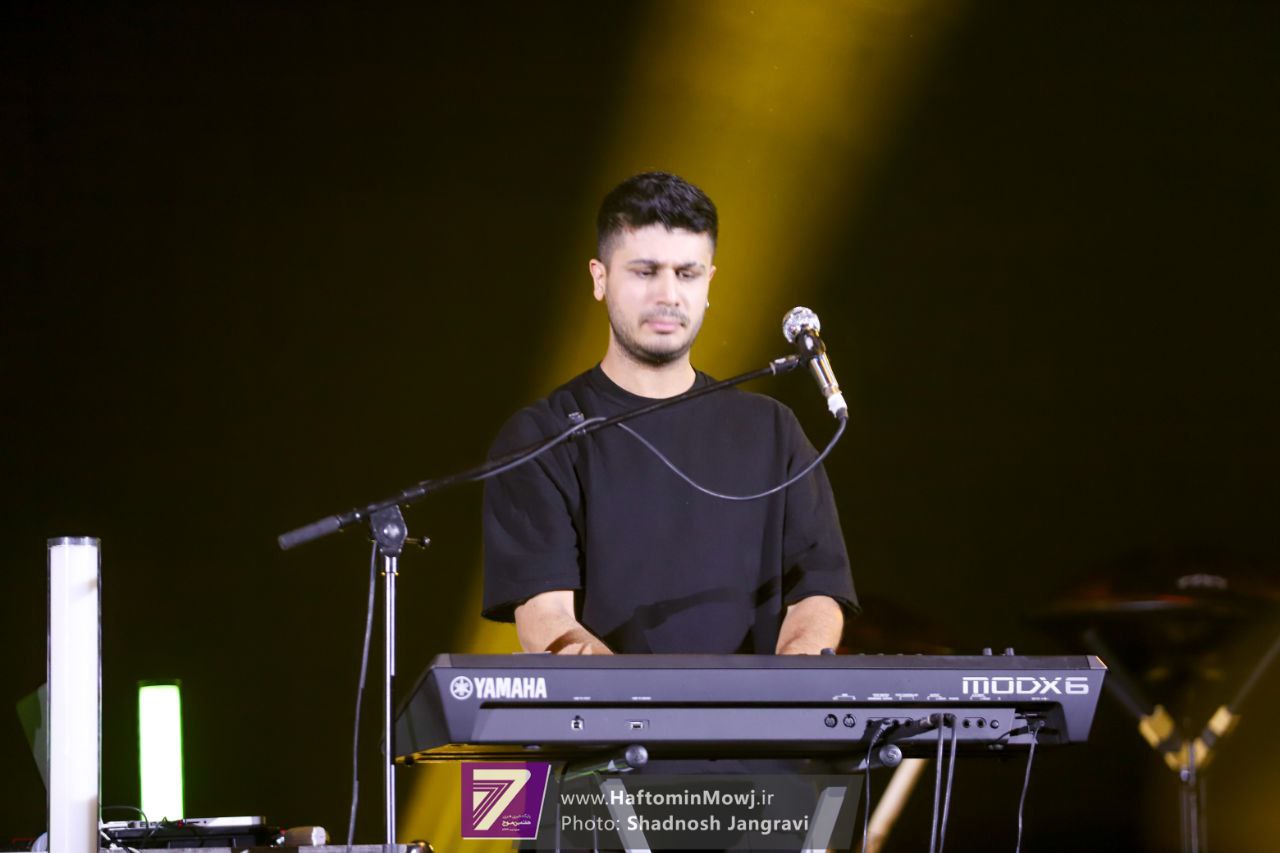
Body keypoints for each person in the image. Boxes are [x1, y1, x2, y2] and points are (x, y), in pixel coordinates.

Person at [482, 171, 856, 656]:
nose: (668, 295)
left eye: (686, 274)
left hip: (756, 710)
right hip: (608, 709)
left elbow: (818, 593)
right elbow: (546, 617)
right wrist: (635, 697)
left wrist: (785, 688)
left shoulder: (773, 431)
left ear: (709, 283)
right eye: (645, 272)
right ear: (599, 279)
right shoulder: (541, 437)